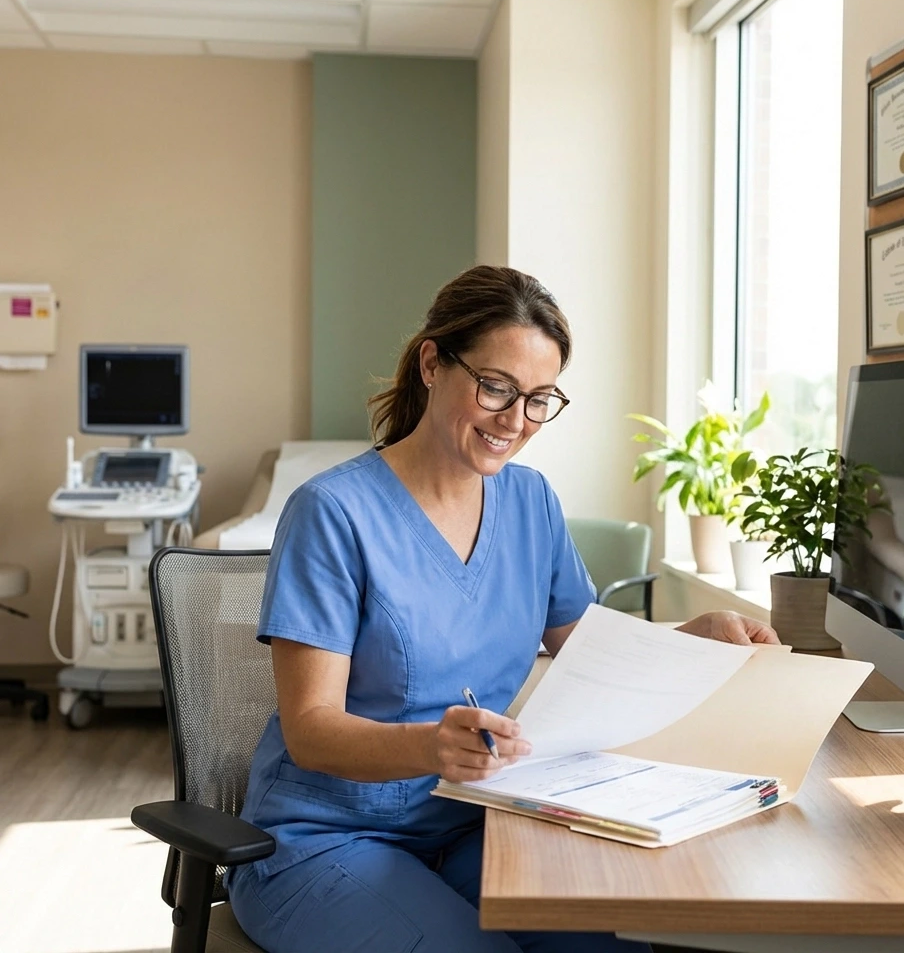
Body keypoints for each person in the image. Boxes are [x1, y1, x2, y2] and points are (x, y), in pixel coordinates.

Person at [226, 265, 779, 953]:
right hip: (328, 841)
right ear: (433, 363)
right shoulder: (333, 513)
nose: (515, 421)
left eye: (539, 399)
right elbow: (311, 730)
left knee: (626, 940)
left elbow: (587, 646)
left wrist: (696, 636)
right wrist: (431, 746)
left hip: (479, 821)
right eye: (496, 388)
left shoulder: (531, 502)